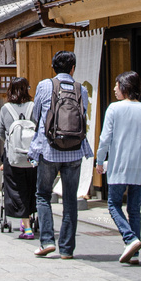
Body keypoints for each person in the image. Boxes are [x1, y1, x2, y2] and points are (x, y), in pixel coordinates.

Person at [28, 50, 93, 260]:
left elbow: (35, 116)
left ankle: (47, 241)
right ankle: (66, 249)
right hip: (74, 149)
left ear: (53, 67)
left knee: (43, 195)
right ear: (73, 68)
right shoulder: (80, 89)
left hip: (49, 148)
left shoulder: (45, 86)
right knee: (70, 200)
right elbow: (82, 116)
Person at [95, 71, 141, 264]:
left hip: (119, 164)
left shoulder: (114, 109)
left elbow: (105, 139)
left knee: (114, 204)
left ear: (124, 87)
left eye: (117, 85)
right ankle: (134, 252)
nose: (114, 89)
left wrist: (99, 161)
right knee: (134, 209)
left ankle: (130, 239)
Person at [0, 77, 38, 240]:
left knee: (17, 189)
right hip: (32, 157)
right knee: (32, 188)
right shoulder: (33, 107)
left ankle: (26, 227)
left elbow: (1, 132)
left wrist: (11, 144)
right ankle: (29, 219)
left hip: (13, 157)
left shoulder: (6, 109)